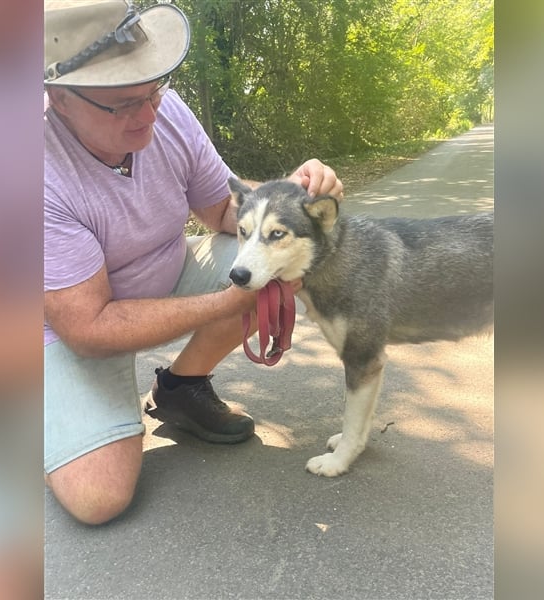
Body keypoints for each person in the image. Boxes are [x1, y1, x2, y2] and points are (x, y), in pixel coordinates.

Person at [44, 1, 343, 525]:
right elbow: (88, 327)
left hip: (166, 271)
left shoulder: (166, 110)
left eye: (153, 90)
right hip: (70, 326)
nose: (150, 116)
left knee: (282, 266)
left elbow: (224, 211)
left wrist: (291, 202)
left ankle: (181, 390)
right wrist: (228, 301)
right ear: (59, 99)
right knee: (99, 498)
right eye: (123, 104)